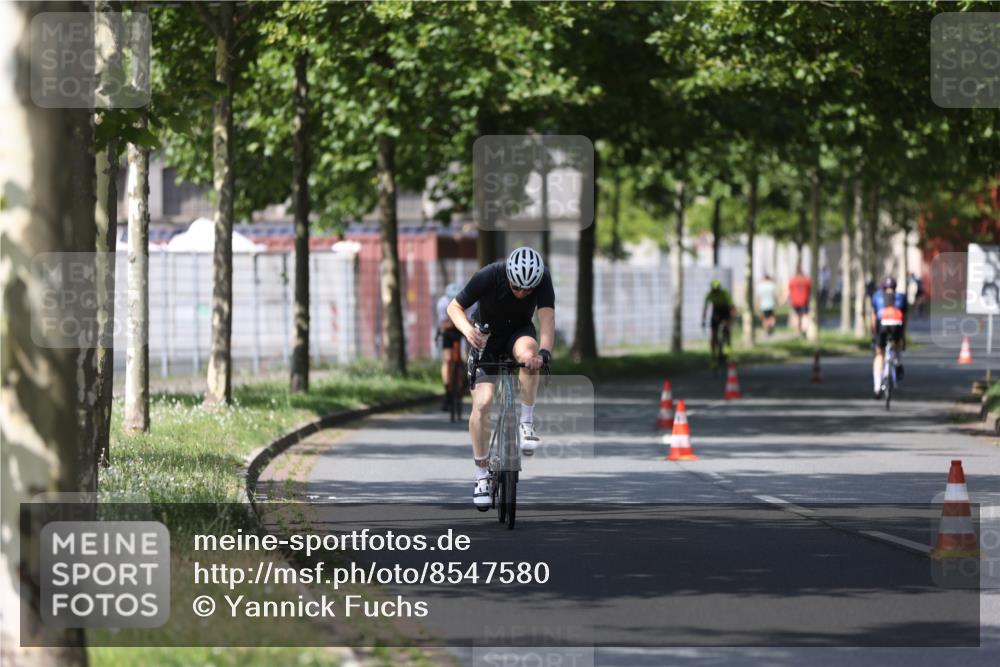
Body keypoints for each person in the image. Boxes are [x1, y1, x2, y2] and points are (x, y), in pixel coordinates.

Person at [447, 247, 554, 510]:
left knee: (529, 356)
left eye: (528, 291)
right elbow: (455, 307)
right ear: (508, 275)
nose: (522, 294)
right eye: (518, 288)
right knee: (482, 404)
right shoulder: (489, 275)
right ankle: (482, 474)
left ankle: (526, 423)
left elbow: (547, 318)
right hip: (486, 339)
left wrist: (544, 352)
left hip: (518, 333)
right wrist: (467, 330)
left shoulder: (542, 278)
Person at [871, 275, 907, 399]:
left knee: (879, 354)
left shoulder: (876, 296)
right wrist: (903, 335)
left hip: (882, 326)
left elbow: (874, 317)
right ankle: (897, 362)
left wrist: (874, 334)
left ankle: (876, 387)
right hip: (897, 325)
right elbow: (904, 317)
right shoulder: (901, 297)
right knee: (897, 344)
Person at [436, 282, 464, 411]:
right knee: (447, 359)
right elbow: (444, 324)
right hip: (448, 331)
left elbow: (471, 322)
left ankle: (462, 383)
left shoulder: (470, 302)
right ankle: (447, 389)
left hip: (464, 329)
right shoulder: (442, 303)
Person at [701, 278, 734, 361]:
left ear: (720, 288)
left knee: (726, 330)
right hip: (716, 313)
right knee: (713, 333)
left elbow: (731, 308)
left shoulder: (725, 294)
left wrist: (730, 320)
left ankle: (728, 350)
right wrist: (703, 320)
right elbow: (705, 308)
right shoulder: (709, 294)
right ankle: (713, 353)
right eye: (714, 290)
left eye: (717, 290)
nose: (716, 292)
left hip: (725, 312)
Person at [787, 266, 812, 338]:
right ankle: (804, 331)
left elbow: (788, 290)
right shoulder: (807, 280)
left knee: (797, 316)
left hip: (795, 302)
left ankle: (798, 331)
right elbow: (810, 290)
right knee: (804, 316)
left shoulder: (793, 280)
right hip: (804, 301)